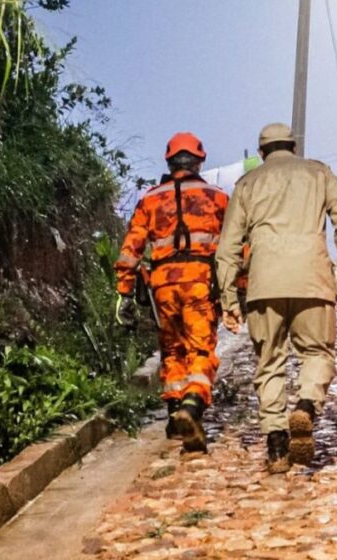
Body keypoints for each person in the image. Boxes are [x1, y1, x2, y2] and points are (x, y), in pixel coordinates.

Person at [216, 123, 337, 474]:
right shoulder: (320, 174)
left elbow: (228, 248)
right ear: (294, 147)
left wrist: (229, 299)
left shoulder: (248, 183)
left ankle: (277, 446)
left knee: (269, 363)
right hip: (313, 278)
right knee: (318, 353)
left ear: (262, 153)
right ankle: (307, 407)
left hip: (265, 283)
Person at [115, 132, 228, 453]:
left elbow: (131, 250)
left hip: (162, 285)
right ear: (200, 160)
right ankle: (192, 406)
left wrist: (124, 292)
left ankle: (173, 412)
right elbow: (236, 248)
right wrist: (239, 292)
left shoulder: (150, 199)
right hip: (201, 281)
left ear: (169, 161)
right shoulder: (218, 197)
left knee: (172, 349)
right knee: (201, 349)